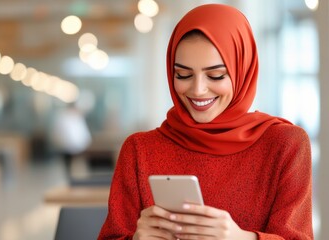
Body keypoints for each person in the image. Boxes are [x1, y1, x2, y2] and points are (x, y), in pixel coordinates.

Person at [98, 4, 313, 240]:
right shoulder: (139, 149)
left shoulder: (285, 144)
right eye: (183, 75)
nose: (198, 90)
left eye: (216, 75)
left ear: (243, 69)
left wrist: (242, 238)